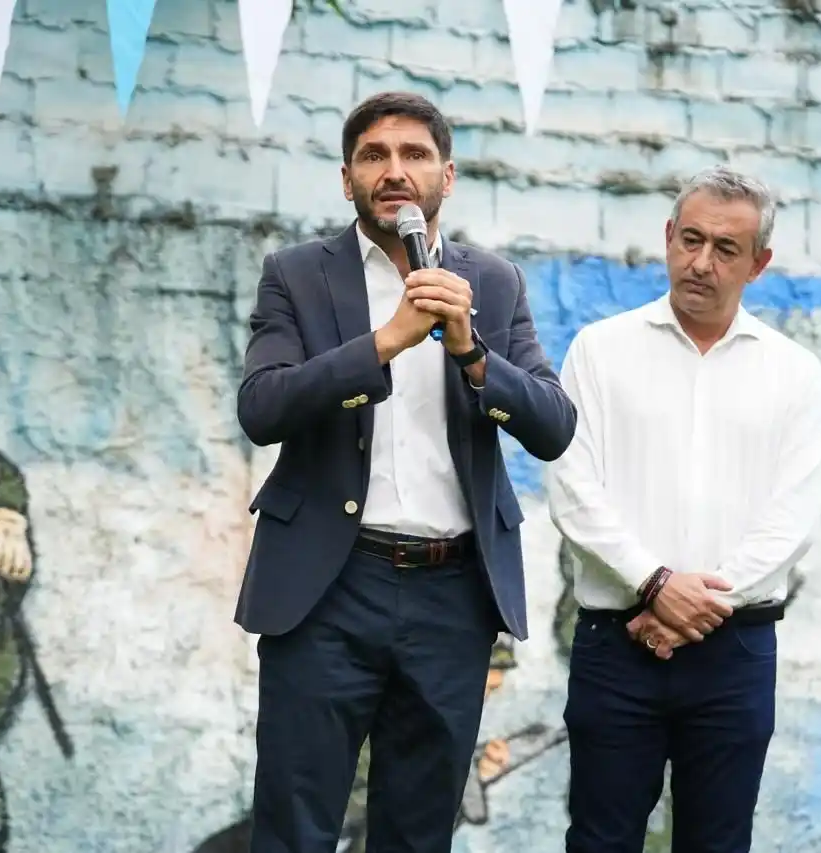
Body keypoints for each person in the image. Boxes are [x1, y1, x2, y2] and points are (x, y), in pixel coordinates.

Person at [234, 90, 577, 853]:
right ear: (347, 178)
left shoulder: (492, 282)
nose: (395, 171)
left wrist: (470, 350)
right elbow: (262, 406)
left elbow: (553, 427)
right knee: (293, 823)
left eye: (414, 155)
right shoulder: (296, 274)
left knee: (419, 833)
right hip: (325, 588)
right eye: (374, 155)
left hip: (451, 595)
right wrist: (384, 340)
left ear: (445, 177)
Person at [547, 165, 821, 853]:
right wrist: (654, 585)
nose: (699, 263)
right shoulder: (599, 351)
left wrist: (693, 609)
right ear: (668, 237)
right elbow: (572, 489)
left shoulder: (791, 372)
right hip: (616, 645)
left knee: (717, 842)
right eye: (690, 240)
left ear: (758, 263)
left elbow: (789, 518)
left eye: (724, 249)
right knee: (598, 841)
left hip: (732, 651)